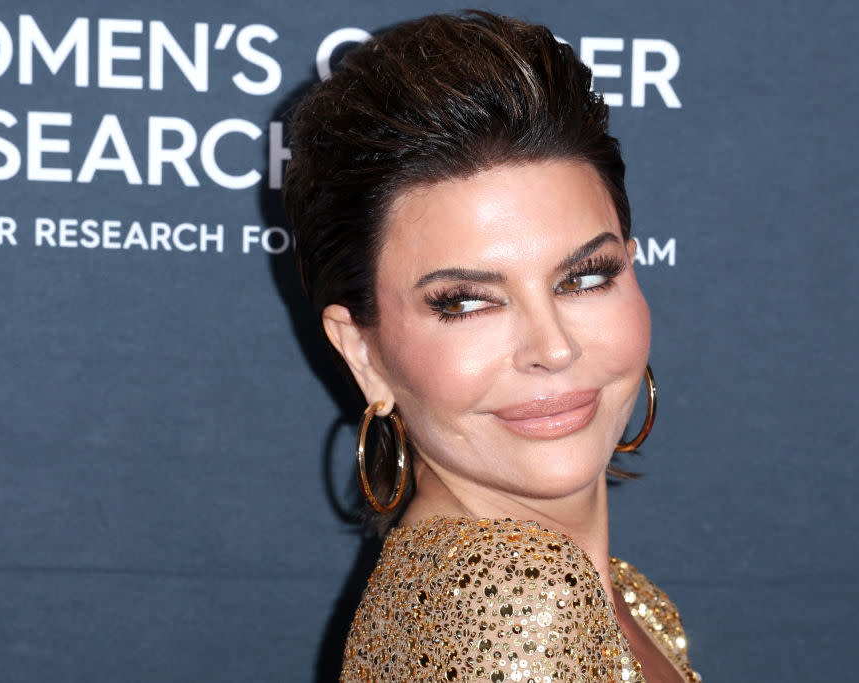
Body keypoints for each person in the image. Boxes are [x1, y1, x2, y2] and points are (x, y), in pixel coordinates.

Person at [284, 11, 700, 682]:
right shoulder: (512, 615)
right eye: (466, 302)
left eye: (585, 278)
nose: (553, 348)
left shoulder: (620, 598)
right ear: (363, 352)